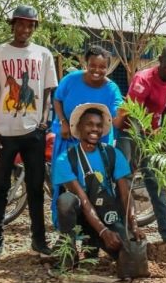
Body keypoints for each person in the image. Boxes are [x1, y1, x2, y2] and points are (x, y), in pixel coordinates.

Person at [0, 5, 58, 260]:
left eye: (30, 25)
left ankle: (38, 240)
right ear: (12, 25)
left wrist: (44, 120)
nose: (25, 29)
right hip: (3, 131)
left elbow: (47, 92)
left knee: (35, 188)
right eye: (20, 24)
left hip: (33, 132)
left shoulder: (43, 55)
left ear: (34, 28)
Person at [53, 103, 143, 268]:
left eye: (98, 125)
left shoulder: (112, 154)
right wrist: (104, 232)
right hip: (83, 219)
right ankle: (70, 247)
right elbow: (84, 201)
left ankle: (93, 246)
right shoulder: (65, 160)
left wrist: (134, 225)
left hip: (107, 213)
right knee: (66, 200)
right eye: (89, 124)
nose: (94, 129)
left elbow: (125, 194)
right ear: (79, 127)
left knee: (129, 258)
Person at [50, 45, 124, 227]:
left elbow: (117, 114)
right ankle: (64, 230)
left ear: (108, 68)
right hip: (68, 140)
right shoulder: (71, 80)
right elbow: (57, 99)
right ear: (86, 63)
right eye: (93, 65)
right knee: (64, 188)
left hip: (96, 147)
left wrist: (125, 114)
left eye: (102, 67)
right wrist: (63, 121)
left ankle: (95, 230)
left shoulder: (112, 89)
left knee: (95, 187)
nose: (97, 71)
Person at [123, 42, 166, 244]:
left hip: (155, 133)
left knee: (159, 181)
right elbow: (132, 115)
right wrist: (139, 145)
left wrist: (165, 134)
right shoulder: (143, 80)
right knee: (124, 179)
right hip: (130, 130)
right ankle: (121, 229)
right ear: (160, 60)